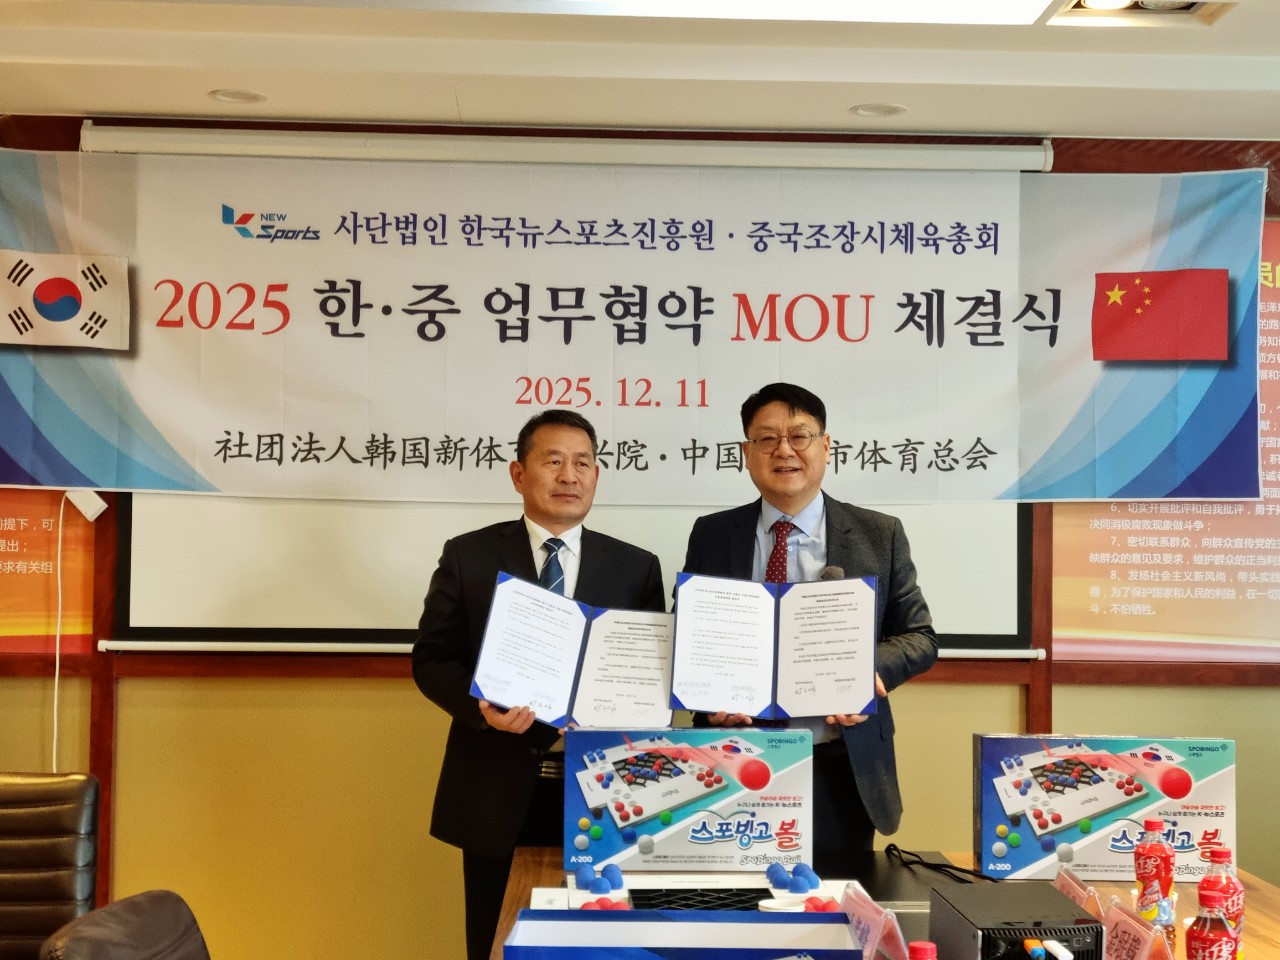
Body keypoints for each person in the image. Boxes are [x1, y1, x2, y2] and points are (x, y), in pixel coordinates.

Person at [412, 409, 665, 960]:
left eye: (582, 463)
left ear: (596, 474)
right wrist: (481, 708)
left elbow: (649, 677)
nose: (569, 475)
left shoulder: (636, 567)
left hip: (605, 791)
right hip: (496, 786)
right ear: (518, 474)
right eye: (553, 461)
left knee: (605, 944)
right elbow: (431, 659)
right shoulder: (469, 555)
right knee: (497, 941)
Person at [681, 382, 937, 875]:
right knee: (735, 902)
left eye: (799, 436)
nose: (784, 451)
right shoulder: (711, 534)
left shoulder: (878, 534)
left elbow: (920, 638)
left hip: (840, 763)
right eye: (767, 439)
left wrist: (863, 672)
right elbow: (691, 635)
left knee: (834, 904)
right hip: (736, 756)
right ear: (746, 453)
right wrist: (708, 695)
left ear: (826, 446)